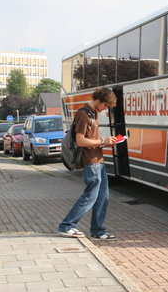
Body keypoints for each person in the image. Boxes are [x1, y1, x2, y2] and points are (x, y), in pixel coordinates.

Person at [58, 87, 118, 239]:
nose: (105, 109)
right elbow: (80, 140)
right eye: (105, 105)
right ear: (99, 100)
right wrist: (102, 141)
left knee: (103, 197)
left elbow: (91, 140)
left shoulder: (94, 113)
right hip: (91, 162)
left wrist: (104, 143)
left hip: (99, 160)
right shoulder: (83, 114)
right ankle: (67, 226)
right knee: (90, 196)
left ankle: (97, 231)